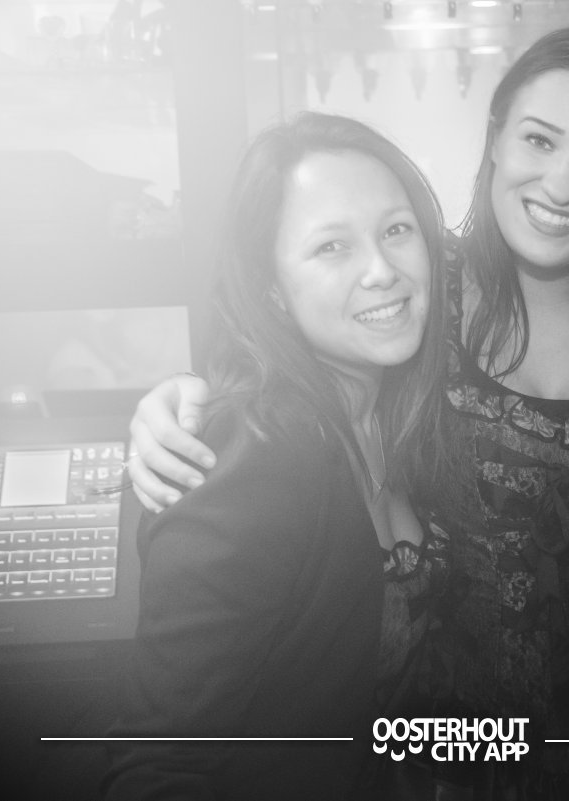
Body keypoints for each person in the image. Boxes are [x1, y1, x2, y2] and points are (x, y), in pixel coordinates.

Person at [122, 26, 569, 799]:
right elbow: (288, 347)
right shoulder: (424, 301)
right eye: (539, 139)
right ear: (495, 138)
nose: (562, 184)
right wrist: (183, 398)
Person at [101, 112, 450, 800]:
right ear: (271, 289)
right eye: (331, 247)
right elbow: (156, 766)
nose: (382, 270)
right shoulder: (250, 463)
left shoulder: (404, 414)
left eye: (396, 230)